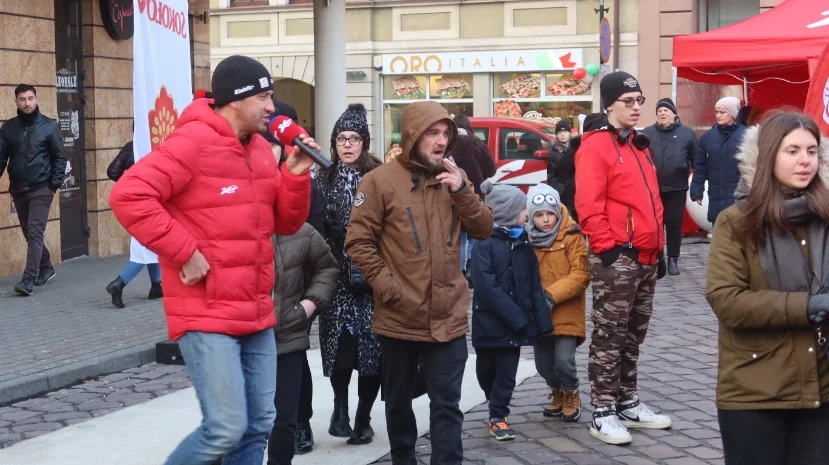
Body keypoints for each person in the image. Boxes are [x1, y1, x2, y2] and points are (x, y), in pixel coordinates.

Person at [109, 55, 317, 465]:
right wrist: (183, 250)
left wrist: (294, 175)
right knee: (224, 427)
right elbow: (128, 195)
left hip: (256, 311)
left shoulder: (261, 151)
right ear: (235, 101)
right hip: (206, 312)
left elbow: (286, 223)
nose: (272, 107)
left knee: (259, 424)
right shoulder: (192, 143)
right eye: (264, 97)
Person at [345, 101, 494, 465]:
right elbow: (357, 242)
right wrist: (388, 288)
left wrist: (462, 190)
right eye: (432, 133)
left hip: (449, 316)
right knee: (398, 402)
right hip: (399, 317)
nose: (441, 141)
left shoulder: (455, 178)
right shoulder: (379, 181)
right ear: (413, 136)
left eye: (446, 133)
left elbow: (484, 227)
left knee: (447, 404)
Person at [706, 112, 829, 465]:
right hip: (756, 391)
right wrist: (807, 306)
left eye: (811, 151)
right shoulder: (737, 222)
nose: (805, 160)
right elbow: (727, 300)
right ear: (768, 156)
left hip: (821, 389)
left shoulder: (825, 216)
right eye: (792, 151)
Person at [575, 71, 670, 446]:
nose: (635, 107)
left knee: (634, 334)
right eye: (628, 101)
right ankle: (603, 411)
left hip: (645, 255)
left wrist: (658, 247)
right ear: (609, 104)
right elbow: (588, 205)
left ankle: (627, 401)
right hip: (618, 256)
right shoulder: (596, 147)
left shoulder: (640, 146)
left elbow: (652, 201)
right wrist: (607, 250)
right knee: (609, 335)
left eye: (639, 100)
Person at [314, 103, 384, 446]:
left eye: (354, 138)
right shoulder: (323, 178)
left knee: (372, 352)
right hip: (336, 278)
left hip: (373, 279)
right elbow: (313, 228)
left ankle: (363, 417)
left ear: (364, 142)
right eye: (341, 138)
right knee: (338, 348)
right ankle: (340, 407)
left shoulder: (381, 177)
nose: (347, 144)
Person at [470, 179, 553, 441]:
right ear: (507, 213)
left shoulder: (524, 244)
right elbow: (486, 286)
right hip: (489, 322)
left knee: (506, 374)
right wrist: (516, 316)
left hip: (514, 327)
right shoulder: (483, 244)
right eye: (522, 210)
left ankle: (498, 415)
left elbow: (533, 286)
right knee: (485, 372)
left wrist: (540, 321)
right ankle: (493, 399)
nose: (526, 214)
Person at [272, 100, 324, 454]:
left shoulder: (304, 177)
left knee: (294, 360)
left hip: (295, 287)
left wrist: (309, 301)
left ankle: (300, 422)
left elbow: (317, 236)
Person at [267, 222, 339, 465]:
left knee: (284, 420)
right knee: (238, 420)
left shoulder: (300, 230)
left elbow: (327, 267)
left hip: (288, 335)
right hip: (243, 337)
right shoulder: (232, 224)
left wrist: (309, 305)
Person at [526, 183, 589, 423]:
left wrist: (551, 295)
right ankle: (557, 391)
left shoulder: (572, 237)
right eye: (539, 215)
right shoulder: (528, 239)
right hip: (539, 313)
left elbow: (581, 274)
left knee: (564, 360)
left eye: (549, 213)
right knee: (543, 364)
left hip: (566, 310)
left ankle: (571, 391)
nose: (545, 220)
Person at [0, 84, 67, 296]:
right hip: (18, 189)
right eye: (22, 99)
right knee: (30, 233)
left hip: (41, 188)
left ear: (36, 99)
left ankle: (28, 279)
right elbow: (1, 157)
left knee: (35, 231)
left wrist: (52, 185)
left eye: (30, 98)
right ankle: (46, 267)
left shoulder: (49, 127)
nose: (27, 103)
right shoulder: (8, 128)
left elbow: (60, 158)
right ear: (16, 101)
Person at [104, 124, 163, 308]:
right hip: (151, 202)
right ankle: (119, 284)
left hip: (135, 203)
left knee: (150, 245)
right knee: (144, 247)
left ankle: (156, 285)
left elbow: (112, 171)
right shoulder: (157, 148)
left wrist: (129, 185)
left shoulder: (132, 146)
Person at [642, 98, 697, 276]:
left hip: (677, 187)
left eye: (666, 110)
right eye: (659, 111)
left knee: (674, 224)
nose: (662, 113)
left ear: (674, 113)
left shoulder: (687, 133)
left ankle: (673, 258)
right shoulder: (647, 133)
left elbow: (695, 159)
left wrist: (696, 180)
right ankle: (659, 259)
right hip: (653, 189)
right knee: (656, 225)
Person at [690, 96, 747, 228]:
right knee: (720, 239)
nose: (718, 116)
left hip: (740, 197)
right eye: (717, 112)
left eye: (722, 112)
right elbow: (700, 167)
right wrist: (697, 190)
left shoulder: (747, 135)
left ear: (733, 114)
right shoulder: (707, 138)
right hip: (717, 197)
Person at [451, 114, 497, 275]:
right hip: (476, 194)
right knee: (475, 235)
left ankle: (460, 271)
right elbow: (491, 170)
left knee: (460, 237)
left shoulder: (446, 145)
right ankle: (472, 267)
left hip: (453, 195)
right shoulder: (478, 144)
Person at [547, 120, 578, 223]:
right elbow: (551, 174)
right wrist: (561, 186)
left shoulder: (577, 147)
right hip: (562, 190)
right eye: (559, 132)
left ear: (570, 133)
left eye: (565, 132)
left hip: (576, 187)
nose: (562, 135)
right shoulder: (552, 150)